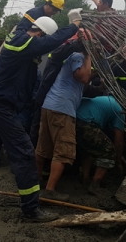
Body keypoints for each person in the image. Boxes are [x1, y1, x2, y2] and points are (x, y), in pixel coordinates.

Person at [0, 10, 83, 222]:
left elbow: (50, 54)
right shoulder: (21, 41)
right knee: (25, 153)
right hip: (1, 106)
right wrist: (74, 25)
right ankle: (31, 209)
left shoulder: (24, 48)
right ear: (39, 34)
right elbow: (48, 44)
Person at [35, 48, 92, 201]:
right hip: (62, 110)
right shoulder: (78, 56)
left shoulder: (72, 56)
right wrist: (89, 54)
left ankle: (35, 182)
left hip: (50, 106)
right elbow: (83, 77)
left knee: (43, 148)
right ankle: (50, 190)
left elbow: (84, 82)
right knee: (63, 151)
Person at [75, 96, 125, 195]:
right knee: (110, 151)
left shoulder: (109, 100)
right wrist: (118, 161)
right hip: (86, 123)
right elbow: (118, 142)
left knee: (88, 149)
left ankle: (85, 179)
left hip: (74, 119)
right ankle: (95, 185)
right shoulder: (120, 112)